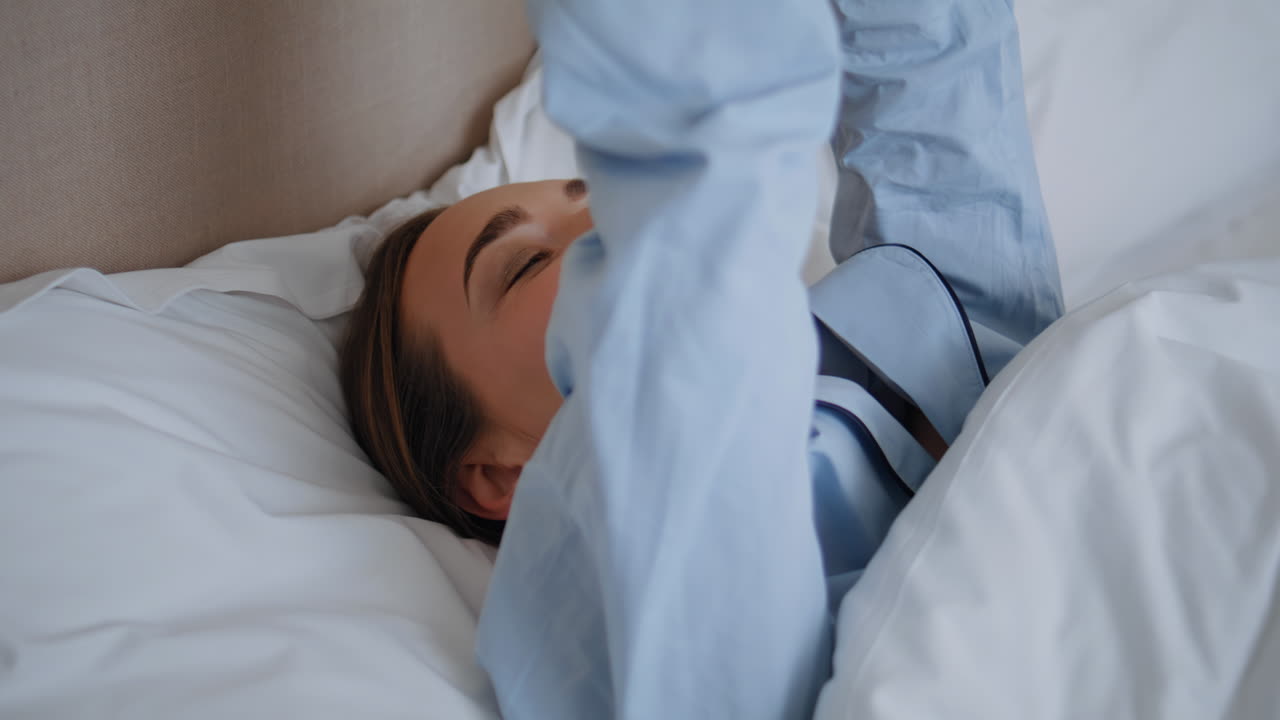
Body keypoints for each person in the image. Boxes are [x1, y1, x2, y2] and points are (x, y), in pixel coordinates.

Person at [340, 0, 1063, 717]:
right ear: (498, 473)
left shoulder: (922, 319)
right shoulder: (594, 593)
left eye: (595, 195)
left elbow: (937, 81)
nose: (598, 222)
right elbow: (684, 262)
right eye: (527, 262)